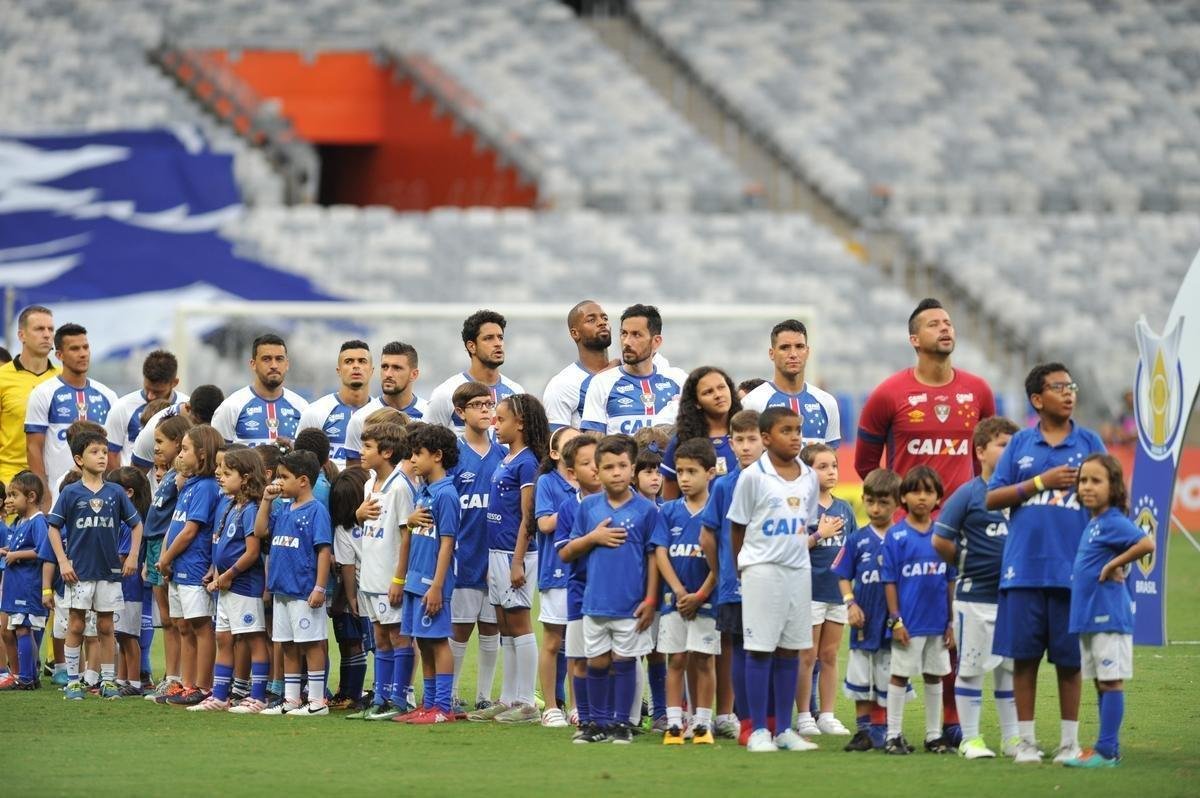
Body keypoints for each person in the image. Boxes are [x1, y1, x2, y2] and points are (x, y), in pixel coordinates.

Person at [856, 298, 996, 744]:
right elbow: (866, 466)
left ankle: (950, 722)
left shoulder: (979, 391)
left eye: (949, 322)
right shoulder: (887, 394)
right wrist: (905, 510)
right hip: (905, 534)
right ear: (914, 339)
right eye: (935, 323)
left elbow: (989, 458)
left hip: (963, 532)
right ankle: (879, 724)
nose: (945, 328)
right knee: (888, 622)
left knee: (951, 627)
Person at [986, 363, 1106, 765]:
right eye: (1058, 387)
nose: (1069, 392)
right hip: (1023, 570)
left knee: (1070, 661)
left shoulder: (1090, 442)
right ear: (1038, 399)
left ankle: (1069, 742)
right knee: (1024, 659)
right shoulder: (1019, 445)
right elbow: (993, 497)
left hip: (1075, 571)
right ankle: (1026, 741)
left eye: (1071, 385)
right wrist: (1040, 482)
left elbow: (1110, 498)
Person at [726, 406, 821, 753]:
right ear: (766, 438)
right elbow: (738, 525)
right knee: (760, 648)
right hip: (762, 570)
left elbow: (805, 524)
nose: (795, 436)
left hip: (798, 570)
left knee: (790, 649)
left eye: (798, 429)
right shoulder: (753, 476)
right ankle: (758, 731)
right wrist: (742, 565)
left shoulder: (810, 476)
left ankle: (783, 729)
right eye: (786, 430)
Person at [559, 434, 661, 744]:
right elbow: (565, 552)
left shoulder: (646, 511)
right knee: (597, 662)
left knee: (624, 661)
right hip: (594, 602)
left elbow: (654, 556)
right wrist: (593, 538)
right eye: (608, 467)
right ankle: (596, 724)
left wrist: (651, 598)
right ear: (598, 472)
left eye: (622, 466)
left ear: (632, 469)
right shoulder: (588, 507)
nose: (616, 472)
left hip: (630, 605)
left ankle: (621, 724)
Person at [931, 416, 1021, 759]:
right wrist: (967, 562)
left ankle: (1012, 738)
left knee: (1010, 669)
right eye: (1003, 445)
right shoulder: (968, 494)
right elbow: (941, 539)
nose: (1010, 452)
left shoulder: (1020, 493)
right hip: (975, 598)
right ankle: (971, 738)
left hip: (1013, 598)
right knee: (969, 669)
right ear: (980, 451)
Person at [1063, 454, 1154, 769]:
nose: (1087, 486)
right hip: (1090, 615)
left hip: (1107, 615)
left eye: (1096, 481)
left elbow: (1146, 544)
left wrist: (1115, 563)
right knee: (1101, 680)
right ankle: (1106, 747)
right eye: (1083, 480)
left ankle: (1107, 751)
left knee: (1111, 680)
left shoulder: (1114, 520)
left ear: (1113, 486)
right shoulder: (1094, 522)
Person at [43, 430, 143, 700]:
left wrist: (133, 555)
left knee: (106, 626)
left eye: (103, 452)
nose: (101, 457)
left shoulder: (115, 492)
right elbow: (52, 529)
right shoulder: (71, 493)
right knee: (76, 625)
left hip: (109, 571)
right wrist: (63, 561)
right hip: (79, 571)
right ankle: (74, 681)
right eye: (94, 452)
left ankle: (107, 681)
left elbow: (136, 524)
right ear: (79, 459)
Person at [472, 395, 549, 724]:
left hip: (515, 554)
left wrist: (517, 560)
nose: (494, 424)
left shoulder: (528, 462)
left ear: (520, 423)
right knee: (505, 624)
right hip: (497, 552)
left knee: (519, 623)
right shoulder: (508, 458)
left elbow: (527, 515)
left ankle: (527, 702)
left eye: (500, 420)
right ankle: (507, 697)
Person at [699, 408, 763, 741]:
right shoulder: (724, 485)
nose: (746, 446)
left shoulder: (777, 481)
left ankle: (773, 720)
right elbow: (707, 535)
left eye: (752, 439)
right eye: (739, 440)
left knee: (771, 649)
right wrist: (722, 568)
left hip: (771, 582)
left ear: (764, 440)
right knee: (739, 647)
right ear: (731, 443)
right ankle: (747, 722)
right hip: (735, 584)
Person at [882, 465, 955, 755]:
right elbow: (889, 581)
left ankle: (934, 735)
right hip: (908, 625)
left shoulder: (943, 536)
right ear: (904, 497)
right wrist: (895, 620)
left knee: (934, 675)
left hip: (937, 623)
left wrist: (951, 622)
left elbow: (950, 580)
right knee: (900, 675)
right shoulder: (896, 536)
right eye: (915, 491)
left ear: (938, 498)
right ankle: (893, 735)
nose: (921, 497)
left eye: (929, 491)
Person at [350, 419, 419, 721]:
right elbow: (368, 525)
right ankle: (380, 697)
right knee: (379, 639)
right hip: (370, 576)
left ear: (387, 451)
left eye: (367, 447)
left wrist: (399, 578)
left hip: (390, 577)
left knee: (398, 638)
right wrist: (357, 514)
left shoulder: (401, 487)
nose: (361, 452)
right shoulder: (368, 484)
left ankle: (399, 698)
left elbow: (407, 535)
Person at [257, 450, 333, 716]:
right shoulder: (283, 508)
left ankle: (316, 701)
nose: (279, 482)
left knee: (311, 644)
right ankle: (290, 699)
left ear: (303, 480)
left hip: (304, 591)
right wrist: (266, 501)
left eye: (284, 477)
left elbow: (324, 550)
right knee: (287, 645)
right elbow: (259, 532)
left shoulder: (316, 511)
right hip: (282, 590)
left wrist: (319, 587)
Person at [655, 437, 719, 746]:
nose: (683, 478)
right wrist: (679, 590)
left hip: (706, 601)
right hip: (674, 602)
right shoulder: (668, 512)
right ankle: (675, 723)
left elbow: (722, 562)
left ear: (710, 473)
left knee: (704, 660)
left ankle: (703, 723)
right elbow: (661, 553)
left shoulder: (717, 511)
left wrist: (702, 594)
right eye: (679, 472)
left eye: (691, 471)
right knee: (676, 660)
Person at [834, 467, 903, 752]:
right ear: (863, 499)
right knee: (861, 675)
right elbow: (842, 574)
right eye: (871, 501)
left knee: (889, 675)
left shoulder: (902, 538)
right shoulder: (857, 539)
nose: (876, 508)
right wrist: (850, 603)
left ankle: (886, 729)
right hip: (864, 619)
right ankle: (863, 730)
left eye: (883, 502)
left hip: (892, 621)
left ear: (898, 503)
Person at [396, 423, 461, 724]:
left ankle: (443, 708)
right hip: (415, 578)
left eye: (417, 454)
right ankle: (429, 704)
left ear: (436, 456)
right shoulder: (424, 491)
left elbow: (447, 542)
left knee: (437, 641)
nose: (412, 460)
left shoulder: (446, 494)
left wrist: (436, 586)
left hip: (431, 583)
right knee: (422, 641)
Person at [155, 425, 223, 707]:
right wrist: (165, 557)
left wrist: (167, 558)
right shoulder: (189, 484)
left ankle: (203, 686)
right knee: (183, 626)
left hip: (193, 568)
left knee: (200, 625)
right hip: (176, 566)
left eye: (185, 449)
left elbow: (190, 531)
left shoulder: (206, 487)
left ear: (203, 455)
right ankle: (186, 683)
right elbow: (175, 524)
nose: (180, 455)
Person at [198, 449, 269, 712]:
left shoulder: (251, 508)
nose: (220, 476)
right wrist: (215, 569)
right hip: (225, 586)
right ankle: (219, 696)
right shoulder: (229, 504)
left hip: (243, 586)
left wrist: (227, 575)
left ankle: (258, 697)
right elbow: (222, 543)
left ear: (246, 478)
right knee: (223, 639)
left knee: (254, 640)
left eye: (228, 473)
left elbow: (252, 552)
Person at [449, 383, 505, 714]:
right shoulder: (455, 455)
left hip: (496, 553)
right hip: (463, 554)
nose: (485, 410)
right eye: (477, 405)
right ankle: (452, 692)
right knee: (460, 626)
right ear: (461, 412)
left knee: (491, 625)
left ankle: (485, 695)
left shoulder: (502, 454)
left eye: (489, 404)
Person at [795, 443, 855, 737]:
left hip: (836, 594)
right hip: (809, 592)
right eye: (822, 466)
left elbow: (851, 551)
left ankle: (828, 715)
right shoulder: (802, 508)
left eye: (833, 465)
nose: (831, 471)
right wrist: (820, 534)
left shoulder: (844, 508)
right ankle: (805, 714)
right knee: (807, 656)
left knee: (829, 655)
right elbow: (792, 548)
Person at [24, 323, 118, 506]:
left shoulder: (108, 395)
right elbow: (33, 448)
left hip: (100, 497)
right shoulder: (43, 393)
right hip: (57, 495)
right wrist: (43, 495)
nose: (83, 353)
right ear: (59, 355)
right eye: (75, 349)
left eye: (85, 347)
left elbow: (114, 451)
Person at [140, 414, 191, 702]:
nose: (155, 447)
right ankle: (171, 676)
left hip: (165, 546)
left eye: (160, 442)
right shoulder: (168, 474)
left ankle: (178, 678)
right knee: (166, 618)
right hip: (154, 545)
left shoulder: (181, 476)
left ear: (178, 443)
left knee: (173, 619)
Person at [552, 433, 600, 737]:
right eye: (587, 463)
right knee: (579, 655)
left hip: (618, 594)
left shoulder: (626, 501)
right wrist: (592, 539)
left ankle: (621, 715)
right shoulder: (571, 508)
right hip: (581, 591)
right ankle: (583, 711)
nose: (596, 468)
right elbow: (565, 551)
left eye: (600, 461)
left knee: (617, 658)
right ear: (572, 473)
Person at [580, 304, 688, 436]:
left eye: (636, 335)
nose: (626, 342)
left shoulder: (679, 380)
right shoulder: (602, 383)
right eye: (624, 334)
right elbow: (593, 443)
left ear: (656, 342)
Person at [533, 426, 580, 727]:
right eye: (570, 442)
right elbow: (545, 523)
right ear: (554, 453)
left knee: (578, 643)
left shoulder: (593, 480)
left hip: (583, 571)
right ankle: (551, 706)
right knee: (553, 640)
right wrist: (578, 505)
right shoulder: (548, 482)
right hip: (556, 570)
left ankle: (578, 706)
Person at [740, 320, 841, 447]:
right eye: (785, 347)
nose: (793, 354)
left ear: (807, 351)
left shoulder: (827, 402)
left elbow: (830, 458)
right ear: (772, 354)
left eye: (799, 346)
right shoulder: (753, 402)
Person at [425, 311, 524, 435]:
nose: (498, 343)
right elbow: (428, 444)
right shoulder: (446, 393)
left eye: (500, 337)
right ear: (472, 346)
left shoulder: (516, 392)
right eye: (488, 338)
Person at [211, 334, 309, 446]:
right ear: (253, 364)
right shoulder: (231, 407)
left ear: (287, 364)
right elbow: (217, 455)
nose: (274, 365)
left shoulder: (302, 407)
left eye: (279, 359)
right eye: (266, 359)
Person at [661, 366, 741, 500]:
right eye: (708, 392)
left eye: (722, 387)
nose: (718, 395)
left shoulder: (748, 436)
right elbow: (670, 501)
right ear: (697, 402)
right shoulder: (682, 441)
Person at [105, 467, 151, 697]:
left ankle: (134, 682)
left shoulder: (130, 523)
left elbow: (122, 557)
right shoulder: (125, 521)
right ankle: (122, 678)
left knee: (129, 635)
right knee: (121, 634)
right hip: (123, 586)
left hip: (130, 587)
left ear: (129, 493)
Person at [328, 466, 372, 712]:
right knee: (355, 641)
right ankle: (350, 691)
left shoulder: (343, 530)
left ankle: (352, 692)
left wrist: (342, 600)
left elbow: (347, 567)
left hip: (358, 592)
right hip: (364, 589)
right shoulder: (354, 525)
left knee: (353, 641)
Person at [344, 341, 427, 468]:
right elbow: (355, 474)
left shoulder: (428, 413)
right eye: (384, 367)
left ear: (414, 374)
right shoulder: (360, 418)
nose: (388, 374)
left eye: (397, 368)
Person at [0, 305, 58, 484]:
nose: (47, 334)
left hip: (55, 481)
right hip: (10, 482)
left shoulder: (64, 378)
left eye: (51, 329)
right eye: (39, 329)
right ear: (21, 335)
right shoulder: (2, 378)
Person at [2, 471, 49, 689]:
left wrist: (15, 555)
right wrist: (8, 551)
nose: (9, 500)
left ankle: (28, 677)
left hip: (28, 585)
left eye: (14, 495)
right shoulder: (22, 522)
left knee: (23, 629)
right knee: (20, 627)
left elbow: (42, 551)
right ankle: (27, 676)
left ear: (30, 497)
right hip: (17, 585)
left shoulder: (38, 521)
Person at [297, 340, 374, 470]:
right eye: (349, 361)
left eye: (362, 361)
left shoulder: (382, 414)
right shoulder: (315, 412)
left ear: (371, 370)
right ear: (338, 370)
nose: (356, 366)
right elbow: (301, 463)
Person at [105, 350, 187, 470]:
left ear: (174, 383)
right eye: (147, 388)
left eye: (157, 392)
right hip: (134, 485)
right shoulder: (122, 407)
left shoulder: (186, 408)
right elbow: (110, 455)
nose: (150, 396)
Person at [543, 300, 615, 431]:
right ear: (575, 333)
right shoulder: (562, 385)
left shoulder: (624, 373)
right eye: (591, 320)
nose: (602, 322)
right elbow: (557, 443)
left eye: (605, 318)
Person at [129, 385, 225, 477]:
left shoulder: (222, 421)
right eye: (198, 423)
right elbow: (135, 477)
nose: (203, 431)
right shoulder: (154, 430)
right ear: (188, 408)